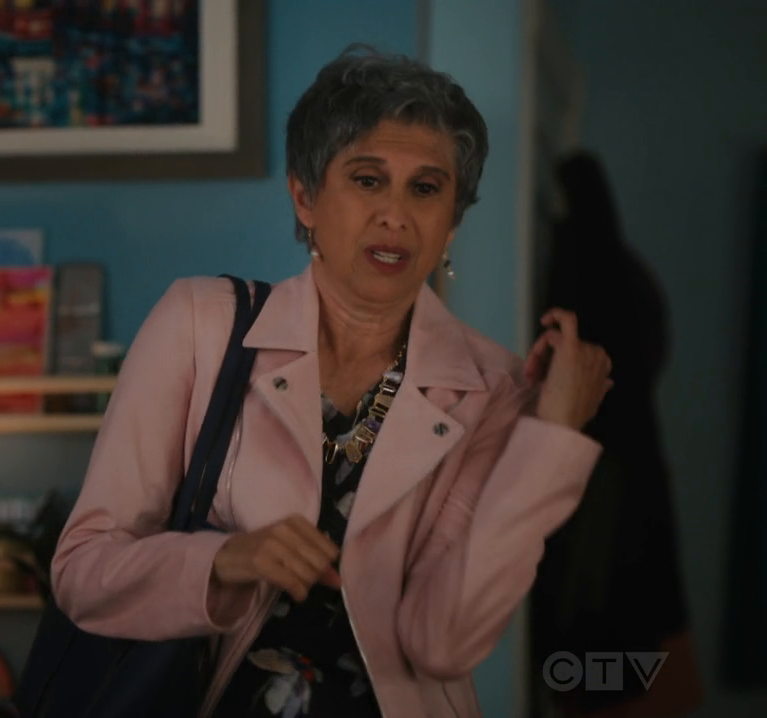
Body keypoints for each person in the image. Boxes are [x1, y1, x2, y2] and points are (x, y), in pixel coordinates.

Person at [49, 45, 612, 718]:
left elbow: (442, 643)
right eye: (368, 180)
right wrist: (225, 559)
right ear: (305, 197)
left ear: (452, 220)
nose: (395, 215)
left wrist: (551, 439)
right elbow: (82, 571)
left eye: (426, 189)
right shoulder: (199, 325)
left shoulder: (491, 388)